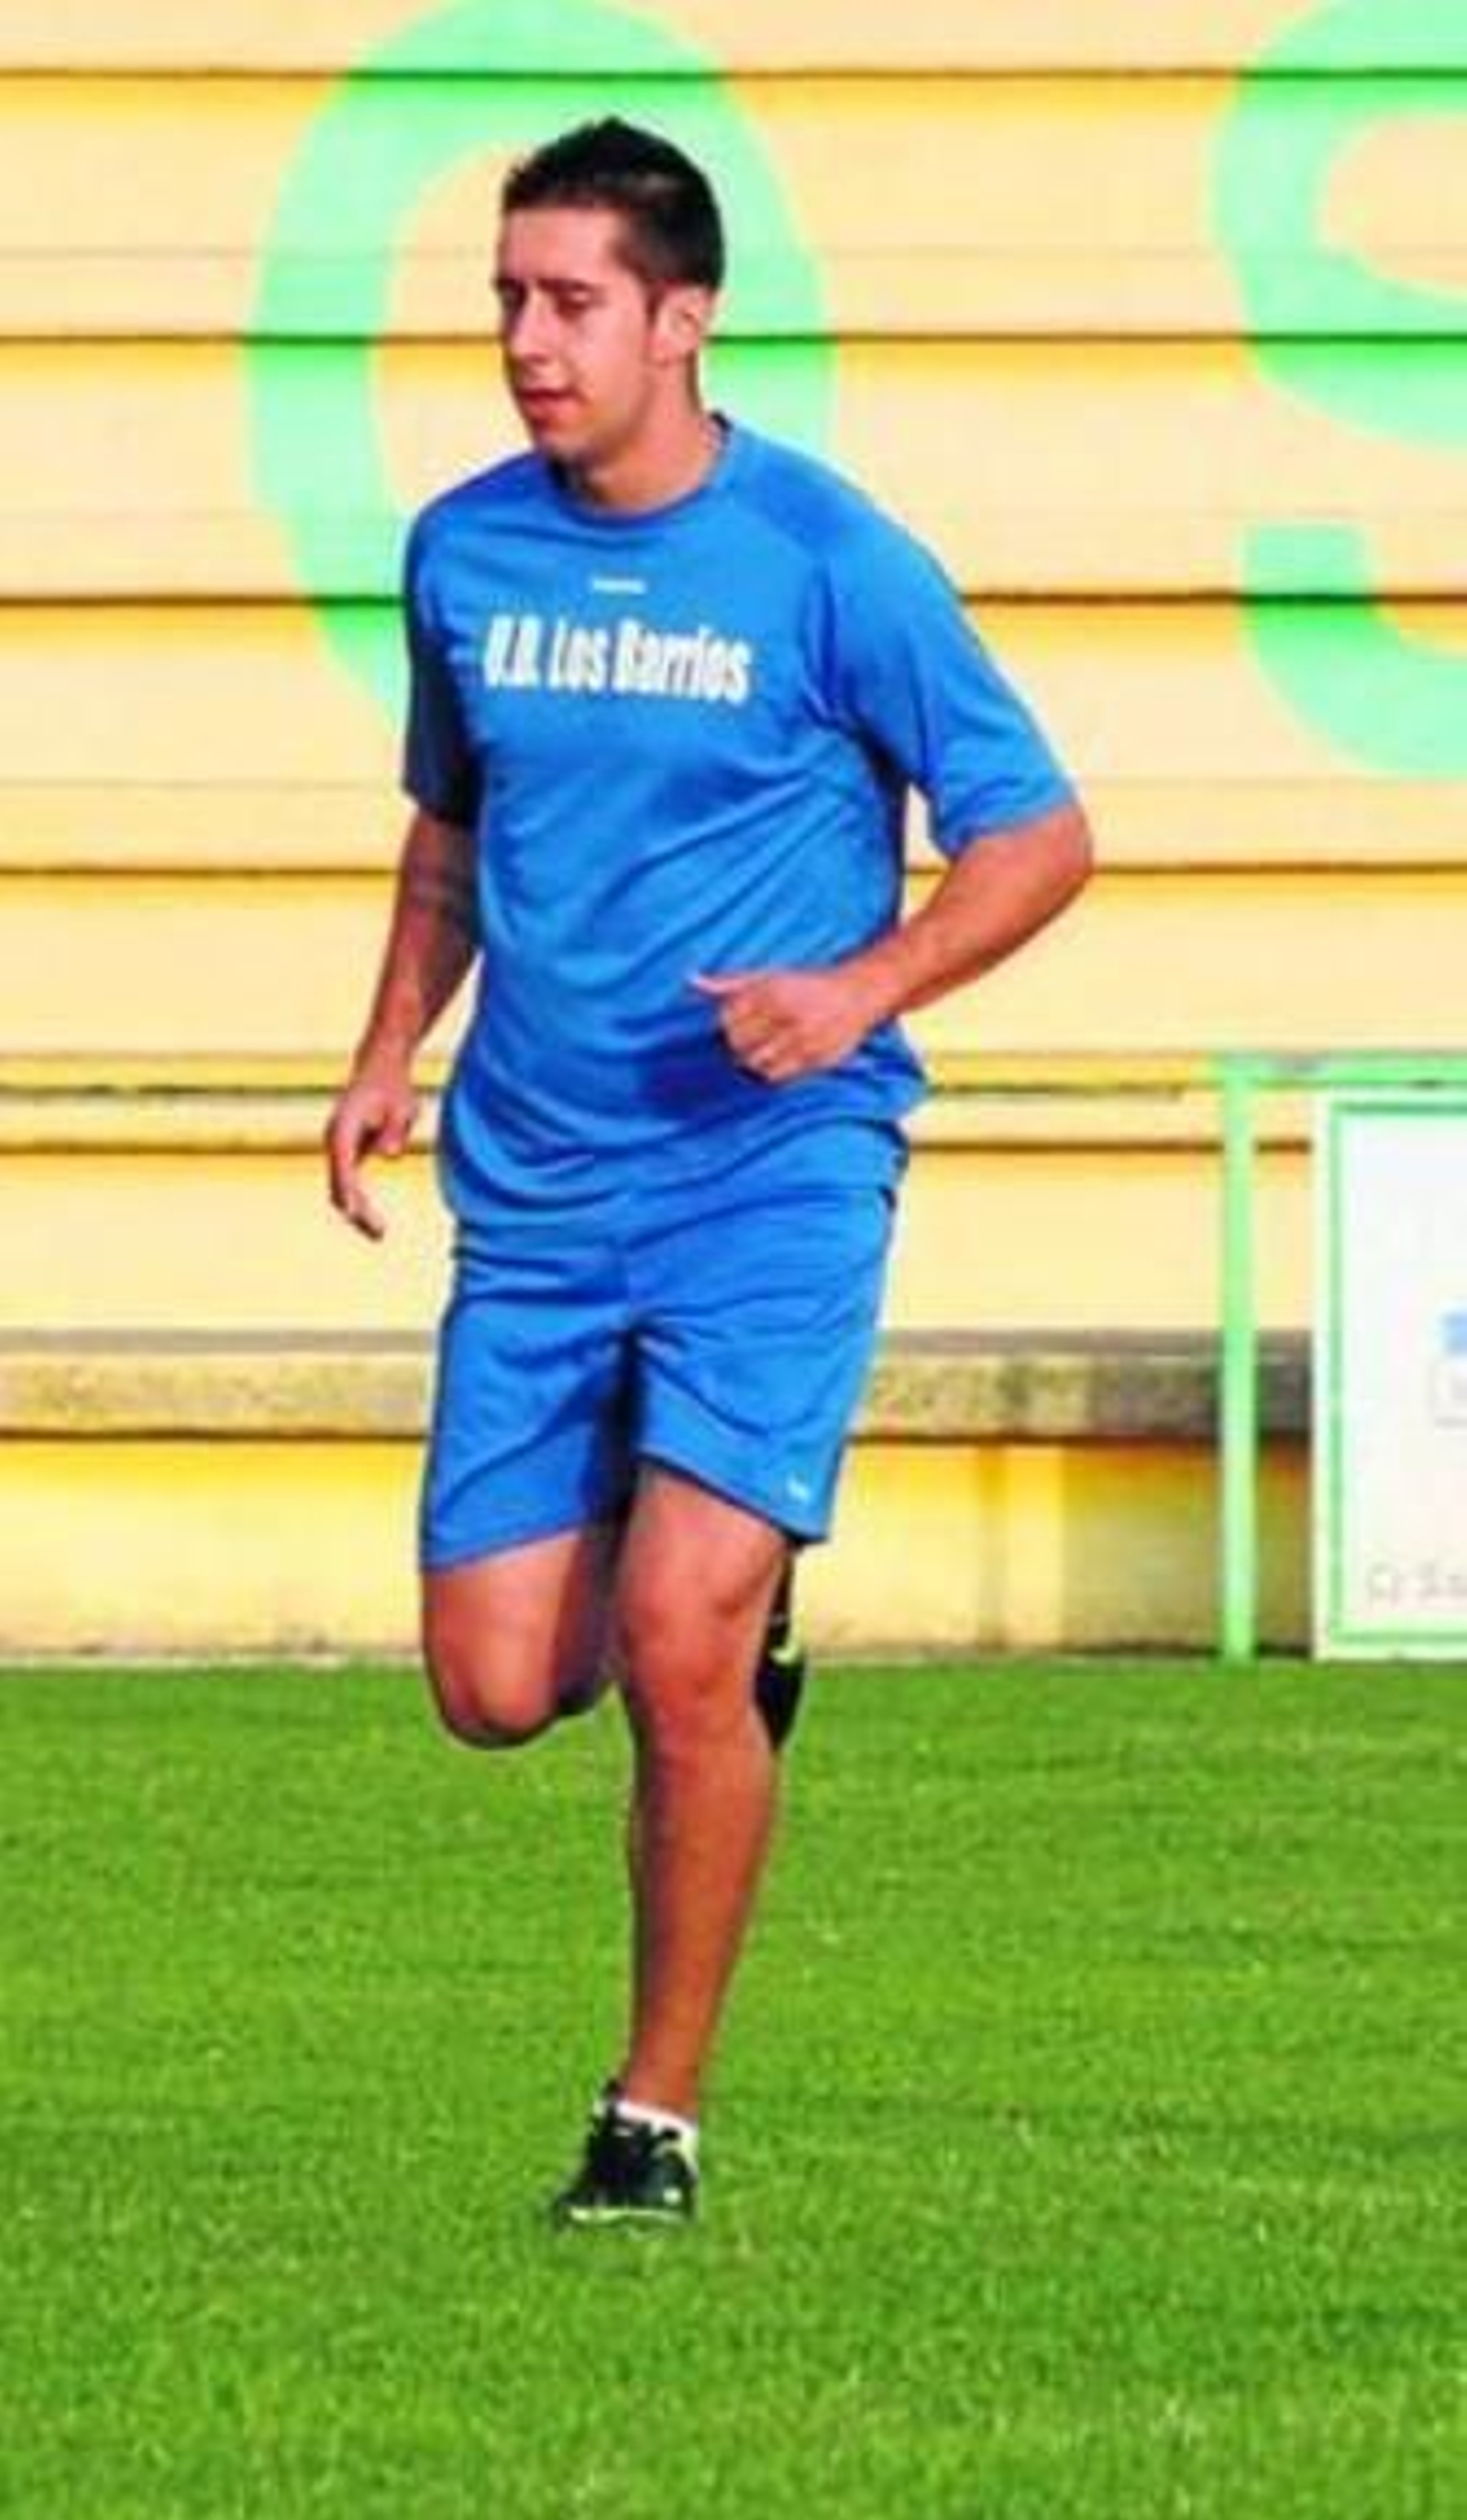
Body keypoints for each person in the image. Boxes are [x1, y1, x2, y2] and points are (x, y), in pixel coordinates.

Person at [325, 117, 1091, 2228]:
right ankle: (721, 1615)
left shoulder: (827, 560)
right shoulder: (462, 554)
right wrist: (388, 1049)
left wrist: (860, 985)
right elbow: (452, 832)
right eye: (506, 298)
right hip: (536, 1185)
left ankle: (646, 2121)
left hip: (770, 1167)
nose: (527, 340)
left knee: (674, 1638)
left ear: (681, 319)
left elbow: (1036, 833)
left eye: (569, 301)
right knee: (496, 1689)